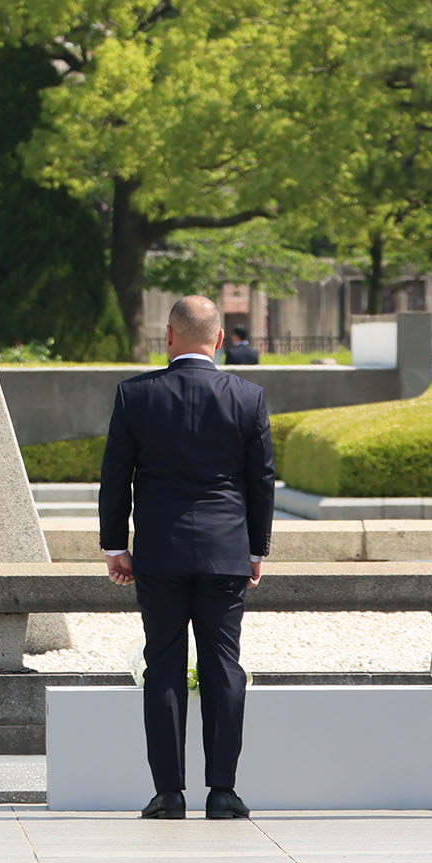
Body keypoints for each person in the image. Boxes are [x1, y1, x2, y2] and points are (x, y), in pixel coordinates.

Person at [99, 294, 274, 820]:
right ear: (220, 339)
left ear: (168, 337)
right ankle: (223, 791)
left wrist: (116, 547)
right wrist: (256, 549)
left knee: (164, 667)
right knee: (224, 667)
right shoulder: (248, 395)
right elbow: (260, 481)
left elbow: (115, 478)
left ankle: (168, 793)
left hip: (159, 551)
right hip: (225, 552)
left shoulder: (135, 395)